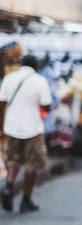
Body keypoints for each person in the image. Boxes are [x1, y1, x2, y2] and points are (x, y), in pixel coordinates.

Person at [0, 55, 52, 213]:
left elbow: (2, 104)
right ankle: (26, 199)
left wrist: (2, 126)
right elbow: (47, 105)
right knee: (32, 163)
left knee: (13, 160)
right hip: (33, 127)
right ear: (36, 65)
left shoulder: (9, 78)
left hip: (11, 126)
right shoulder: (39, 81)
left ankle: (9, 186)